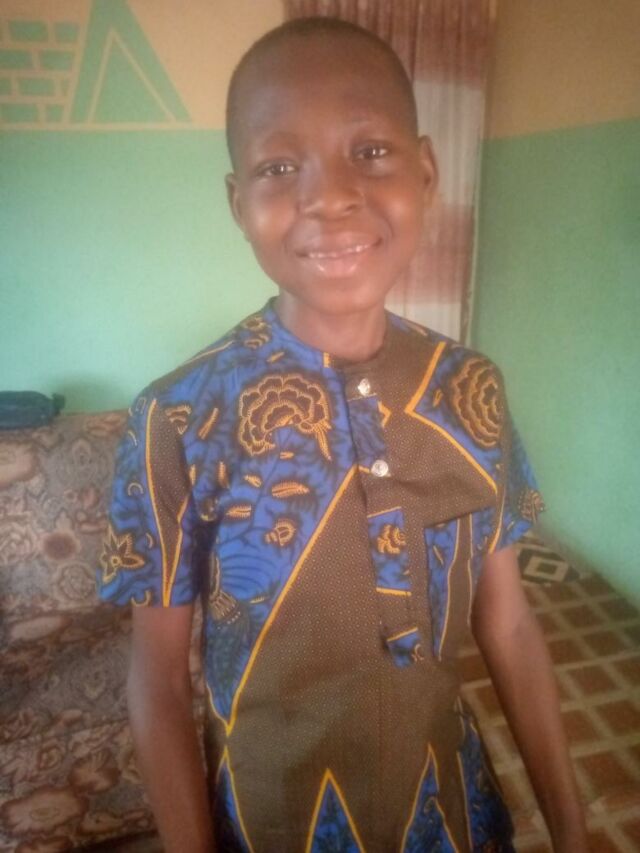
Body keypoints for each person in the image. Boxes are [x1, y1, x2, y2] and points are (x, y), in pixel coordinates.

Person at [98, 17, 588, 853]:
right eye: (279, 166)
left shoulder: (472, 388)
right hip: (270, 822)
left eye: (370, 151)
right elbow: (158, 681)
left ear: (425, 173)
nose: (330, 196)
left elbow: (506, 622)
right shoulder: (175, 420)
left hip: (453, 815)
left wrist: (573, 830)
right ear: (239, 203)